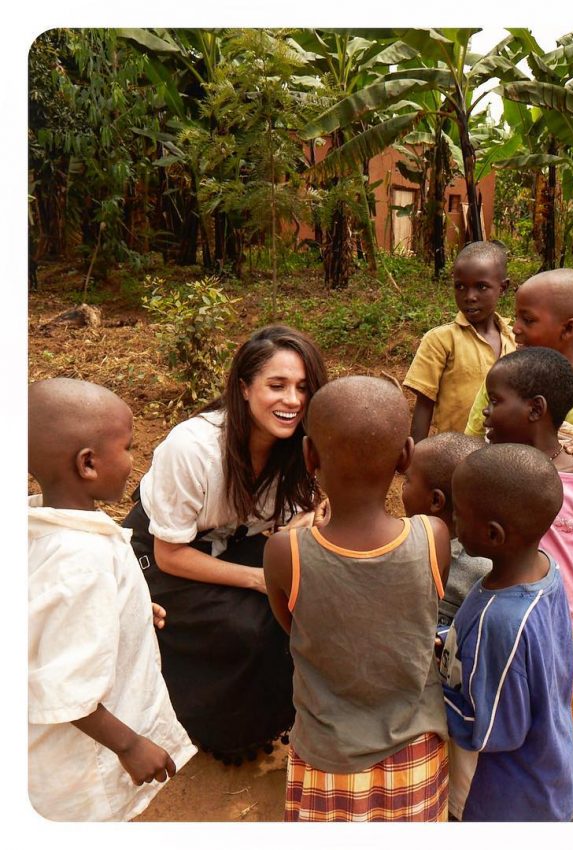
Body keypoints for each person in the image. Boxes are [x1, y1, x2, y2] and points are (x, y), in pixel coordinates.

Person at [122, 325, 328, 763]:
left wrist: (302, 527)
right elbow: (169, 553)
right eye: (277, 385)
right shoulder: (193, 448)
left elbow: (287, 522)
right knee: (246, 625)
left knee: (299, 604)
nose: (292, 400)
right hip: (160, 552)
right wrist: (258, 578)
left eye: (303, 387)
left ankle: (278, 715)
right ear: (244, 387)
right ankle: (212, 726)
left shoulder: (299, 445)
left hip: (231, 540)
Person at [263, 376, 451, 822]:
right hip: (415, 752)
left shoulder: (286, 553)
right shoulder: (433, 537)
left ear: (309, 455)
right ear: (406, 455)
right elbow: (424, 611)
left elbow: (292, 625)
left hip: (328, 756)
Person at [28, 378, 196, 821]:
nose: (134, 460)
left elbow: (50, 620)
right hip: (88, 767)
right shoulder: (82, 561)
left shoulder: (43, 529)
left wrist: (129, 611)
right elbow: (65, 688)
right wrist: (129, 744)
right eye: (127, 448)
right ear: (88, 464)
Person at [481, 347, 573, 785]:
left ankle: (559, 798)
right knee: (497, 715)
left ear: (535, 409)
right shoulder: (485, 468)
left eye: (495, 400)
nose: (486, 411)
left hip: (563, 627)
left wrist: (559, 578)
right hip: (495, 622)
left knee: (565, 723)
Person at [438, 443, 573, 821]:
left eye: (459, 514)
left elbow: (489, 729)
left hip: (505, 798)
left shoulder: (500, 619)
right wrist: (445, 639)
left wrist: (431, 690)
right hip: (549, 766)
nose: (452, 519)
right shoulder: (544, 571)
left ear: (493, 534)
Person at [464, 268, 573, 482]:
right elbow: (472, 446)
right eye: (516, 318)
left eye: (528, 320)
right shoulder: (500, 380)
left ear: (568, 329)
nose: (515, 328)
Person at [404, 241, 515, 442]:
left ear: (503, 288)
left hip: (504, 452)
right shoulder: (440, 340)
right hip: (454, 453)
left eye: (481, 287)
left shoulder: (515, 340)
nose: (469, 296)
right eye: (460, 287)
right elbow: (424, 404)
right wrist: (415, 455)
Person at [400, 431, 490, 641]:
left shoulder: (483, 573)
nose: (402, 487)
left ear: (435, 501)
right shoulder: (402, 537)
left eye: (407, 480)